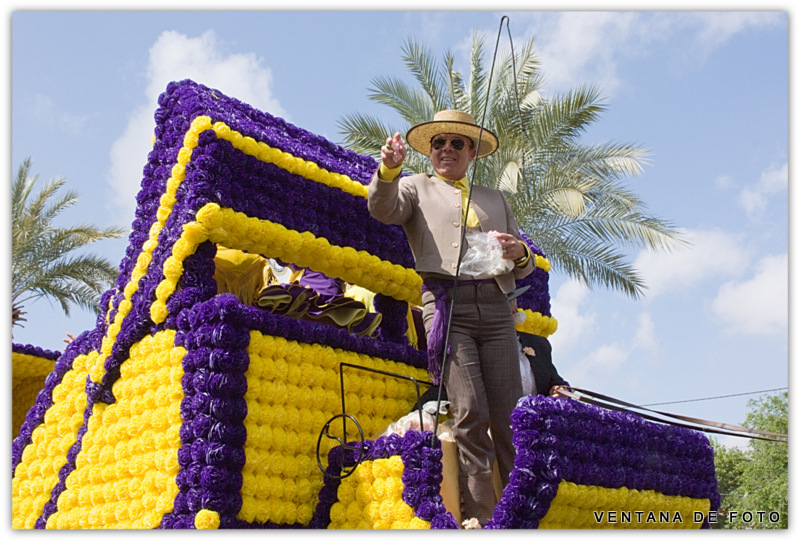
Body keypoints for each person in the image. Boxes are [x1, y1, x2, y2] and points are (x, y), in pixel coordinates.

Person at [368, 110, 535, 525]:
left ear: (471, 152)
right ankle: (481, 518)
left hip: (497, 310)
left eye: (456, 143)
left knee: (511, 414)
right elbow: (381, 208)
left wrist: (521, 252)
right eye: (438, 143)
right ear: (429, 151)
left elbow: (523, 262)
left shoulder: (495, 198)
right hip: (447, 307)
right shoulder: (413, 187)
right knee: (470, 412)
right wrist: (388, 169)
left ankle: (520, 516)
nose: (446, 149)